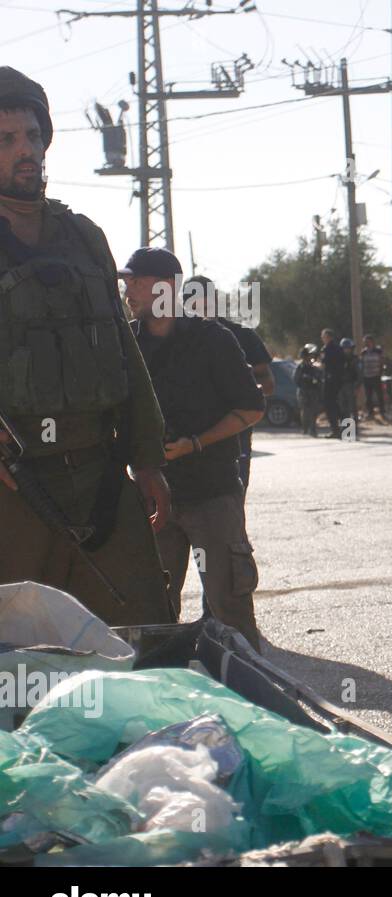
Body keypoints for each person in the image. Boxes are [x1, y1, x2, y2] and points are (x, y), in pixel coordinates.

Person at [0, 66, 173, 625]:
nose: (24, 151)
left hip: (101, 476)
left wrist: (147, 458)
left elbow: (124, 350)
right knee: (22, 657)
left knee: (142, 637)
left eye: (32, 136)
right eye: (5, 140)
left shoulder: (84, 237)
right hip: (16, 487)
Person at [123, 247, 267, 650]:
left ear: (167, 286)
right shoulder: (124, 343)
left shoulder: (212, 339)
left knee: (230, 611)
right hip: (149, 499)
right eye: (126, 280)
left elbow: (251, 407)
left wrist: (194, 444)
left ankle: (245, 703)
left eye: (137, 280)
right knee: (150, 616)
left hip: (211, 495)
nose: (127, 288)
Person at [185, 275, 273, 491]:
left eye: (206, 297)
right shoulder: (175, 337)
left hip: (233, 440)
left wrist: (241, 378)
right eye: (193, 298)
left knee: (230, 507)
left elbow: (269, 384)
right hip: (186, 440)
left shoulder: (241, 335)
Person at [319, 327, 345, 439]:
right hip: (339, 380)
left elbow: (324, 365)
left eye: (323, 337)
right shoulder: (339, 348)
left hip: (330, 380)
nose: (322, 339)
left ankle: (336, 430)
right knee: (339, 405)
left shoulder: (326, 349)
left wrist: (317, 365)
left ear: (328, 337)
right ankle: (347, 429)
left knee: (329, 405)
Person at [293, 345, 322, 437]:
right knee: (305, 411)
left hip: (313, 391)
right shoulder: (300, 367)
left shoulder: (313, 367)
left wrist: (315, 381)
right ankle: (306, 429)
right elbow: (296, 379)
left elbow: (319, 378)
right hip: (304, 391)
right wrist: (305, 379)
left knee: (314, 411)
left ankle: (312, 429)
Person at [337, 337, 360, 437]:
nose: (347, 350)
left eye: (348, 348)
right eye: (345, 348)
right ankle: (345, 430)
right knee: (342, 409)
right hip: (341, 386)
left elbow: (359, 375)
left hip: (351, 386)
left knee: (352, 409)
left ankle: (353, 431)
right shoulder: (339, 360)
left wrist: (356, 387)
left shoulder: (355, 360)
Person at [360, 334, 385, 421]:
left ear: (372, 342)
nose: (366, 343)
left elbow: (382, 362)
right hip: (367, 376)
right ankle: (370, 413)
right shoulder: (363, 352)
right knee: (368, 396)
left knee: (379, 395)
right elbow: (361, 364)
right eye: (365, 342)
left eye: (368, 341)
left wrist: (380, 372)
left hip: (376, 376)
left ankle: (382, 412)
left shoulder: (378, 351)